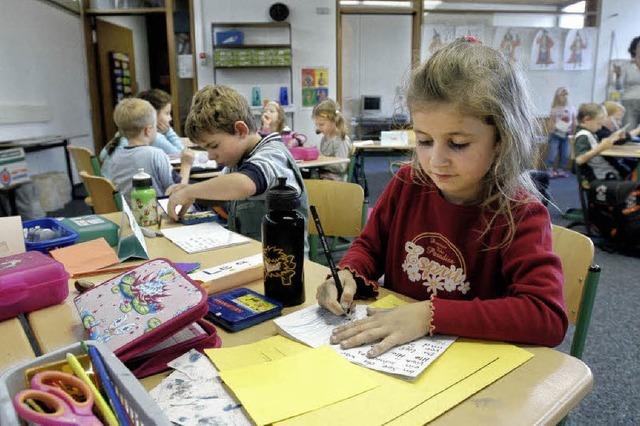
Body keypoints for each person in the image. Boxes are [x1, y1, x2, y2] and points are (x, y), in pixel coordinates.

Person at [317, 38, 568, 359]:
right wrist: (347, 273)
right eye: (423, 140)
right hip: (398, 356)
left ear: (501, 141)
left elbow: (546, 316)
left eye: (458, 143)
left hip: (473, 366)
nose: (435, 160)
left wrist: (430, 315)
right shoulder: (408, 183)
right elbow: (369, 247)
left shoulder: (520, 212)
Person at [165, 85, 309, 248]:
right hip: (250, 255)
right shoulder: (236, 161)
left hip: (285, 265)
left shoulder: (273, 155)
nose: (211, 155)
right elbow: (223, 194)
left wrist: (191, 191)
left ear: (241, 130)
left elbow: (245, 184)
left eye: (214, 146)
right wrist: (192, 194)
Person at [106, 98, 193, 202]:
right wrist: (186, 165)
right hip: (156, 214)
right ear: (148, 130)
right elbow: (178, 191)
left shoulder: (115, 156)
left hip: (128, 214)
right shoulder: (155, 154)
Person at [100, 89, 185, 176]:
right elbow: (183, 155)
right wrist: (168, 131)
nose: (170, 118)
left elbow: (102, 155)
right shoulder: (154, 138)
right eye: (167, 113)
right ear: (152, 114)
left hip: (109, 186)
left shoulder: (123, 134)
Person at [312, 99, 352, 181]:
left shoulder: (342, 140)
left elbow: (342, 166)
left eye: (322, 124)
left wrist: (321, 161)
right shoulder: (324, 138)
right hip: (324, 175)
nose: (318, 128)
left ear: (334, 121)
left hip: (336, 180)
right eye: (317, 124)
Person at [545, 87, 576, 178]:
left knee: (565, 154)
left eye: (566, 94)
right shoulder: (554, 108)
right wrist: (551, 129)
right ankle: (549, 169)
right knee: (552, 153)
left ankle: (561, 170)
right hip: (555, 134)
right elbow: (551, 121)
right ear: (557, 96)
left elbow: (574, 121)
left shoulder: (572, 108)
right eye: (562, 94)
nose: (564, 96)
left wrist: (573, 132)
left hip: (566, 135)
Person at [613, 36, 640, 128]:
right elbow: (618, 87)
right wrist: (618, 76)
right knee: (629, 130)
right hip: (629, 103)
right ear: (634, 50)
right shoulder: (626, 66)